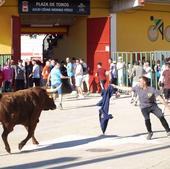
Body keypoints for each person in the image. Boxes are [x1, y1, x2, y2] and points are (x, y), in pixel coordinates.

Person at [112, 76, 170, 140]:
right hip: (144, 107)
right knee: (147, 119)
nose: (138, 82)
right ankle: (150, 133)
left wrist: (167, 107)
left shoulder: (151, 89)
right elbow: (128, 88)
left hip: (153, 106)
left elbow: (160, 99)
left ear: (144, 82)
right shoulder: (137, 88)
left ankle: (168, 131)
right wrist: (116, 86)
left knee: (161, 116)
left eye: (140, 81)